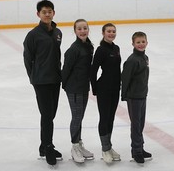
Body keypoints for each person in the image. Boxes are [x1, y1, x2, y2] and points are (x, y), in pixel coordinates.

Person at [23, 0, 62, 166]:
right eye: (44, 12)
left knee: (51, 114)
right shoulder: (32, 35)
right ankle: (47, 146)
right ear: (38, 14)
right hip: (41, 81)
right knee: (47, 115)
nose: (47, 14)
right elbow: (27, 58)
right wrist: (33, 77)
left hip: (55, 79)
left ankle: (43, 145)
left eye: (50, 11)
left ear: (53, 13)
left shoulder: (57, 32)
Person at [61, 19, 94, 163]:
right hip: (74, 88)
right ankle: (74, 146)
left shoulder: (89, 46)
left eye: (85, 28)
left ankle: (79, 144)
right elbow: (66, 70)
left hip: (83, 86)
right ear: (75, 31)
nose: (82, 31)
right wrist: (67, 86)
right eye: (79, 29)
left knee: (80, 116)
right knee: (76, 117)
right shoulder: (73, 49)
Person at [90, 23, 121, 163]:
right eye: (108, 31)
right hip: (104, 89)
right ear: (103, 33)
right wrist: (95, 88)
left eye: (113, 31)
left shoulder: (116, 48)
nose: (111, 33)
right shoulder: (101, 50)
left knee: (111, 118)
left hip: (115, 89)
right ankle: (105, 149)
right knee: (104, 118)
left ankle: (109, 147)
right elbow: (93, 70)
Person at [121, 31, 152, 164]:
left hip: (142, 95)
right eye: (138, 42)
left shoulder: (144, 58)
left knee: (141, 124)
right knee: (136, 125)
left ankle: (140, 147)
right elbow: (125, 78)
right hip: (134, 97)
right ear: (133, 44)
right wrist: (125, 96)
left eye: (143, 42)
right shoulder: (132, 60)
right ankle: (136, 151)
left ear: (147, 42)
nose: (141, 44)